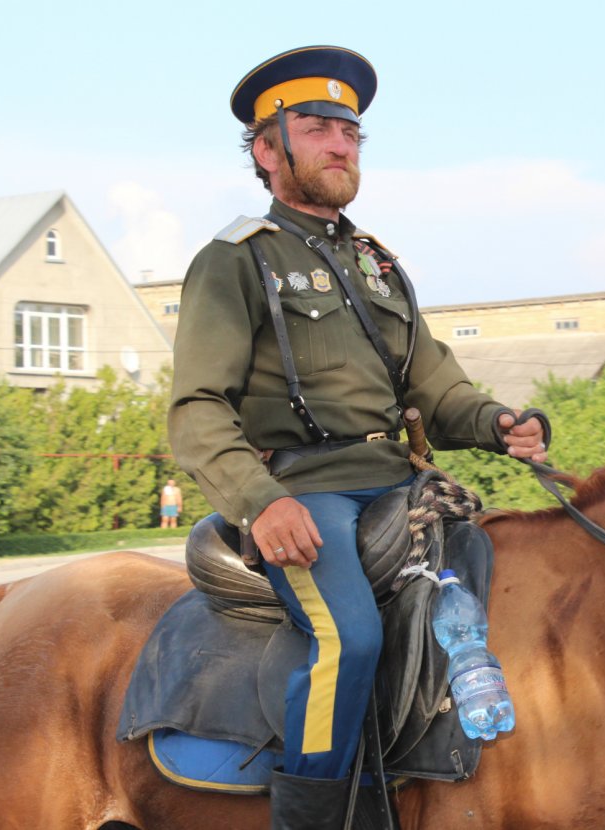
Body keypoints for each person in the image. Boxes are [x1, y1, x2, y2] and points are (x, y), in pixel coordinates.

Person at [168, 45, 548, 830]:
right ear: (268, 152)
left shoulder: (378, 265)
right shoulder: (236, 261)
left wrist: (499, 424)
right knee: (351, 639)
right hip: (308, 499)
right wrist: (258, 504)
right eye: (317, 129)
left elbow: (435, 388)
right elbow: (197, 408)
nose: (342, 144)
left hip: (404, 489)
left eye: (352, 133)